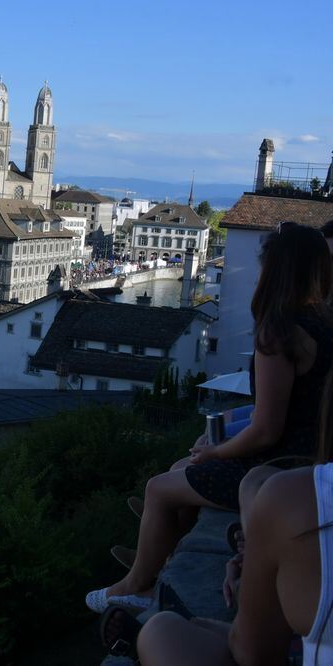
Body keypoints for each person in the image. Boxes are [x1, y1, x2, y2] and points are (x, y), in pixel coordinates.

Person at [86, 222, 333, 614]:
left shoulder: (279, 333)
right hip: (310, 457)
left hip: (280, 465)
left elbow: (267, 429)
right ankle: (159, 560)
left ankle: (134, 586)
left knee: (158, 488)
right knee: (183, 466)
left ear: (274, 270)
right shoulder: (323, 325)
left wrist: (217, 453)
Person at [136, 373, 333, 665]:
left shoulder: (303, 499)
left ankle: (135, 585)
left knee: (161, 631)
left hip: (280, 647)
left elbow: (253, 652)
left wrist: (255, 575)